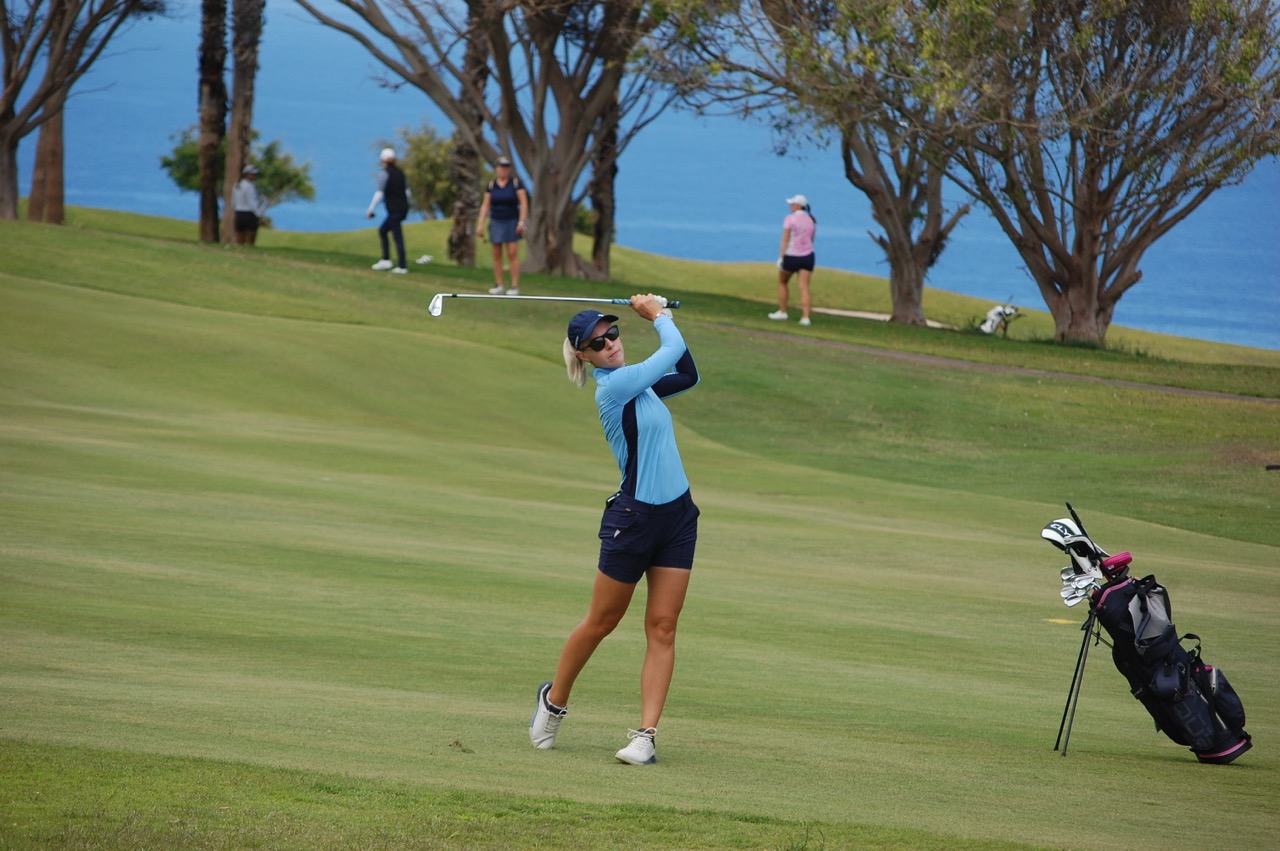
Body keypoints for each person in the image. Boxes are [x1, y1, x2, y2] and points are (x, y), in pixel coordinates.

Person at [530, 295, 701, 765]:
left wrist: (664, 320)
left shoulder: (640, 387)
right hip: (634, 521)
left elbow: (687, 373)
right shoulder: (614, 388)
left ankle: (645, 736)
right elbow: (669, 351)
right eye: (597, 343)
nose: (610, 344)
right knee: (602, 622)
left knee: (663, 626)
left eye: (613, 334)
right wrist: (660, 316)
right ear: (583, 355)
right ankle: (555, 700)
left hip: (678, 518)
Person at [476, 155, 529, 295]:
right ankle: (499, 284)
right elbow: (485, 205)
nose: (503, 170)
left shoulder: (516, 183)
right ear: (497, 169)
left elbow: (523, 204)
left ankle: (514, 285)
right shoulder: (491, 185)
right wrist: (480, 224)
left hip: (512, 220)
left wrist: (522, 222)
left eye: (506, 168)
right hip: (496, 221)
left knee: (512, 252)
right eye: (501, 167)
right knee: (496, 253)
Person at [768, 194, 818, 326]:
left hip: (792, 256)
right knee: (804, 287)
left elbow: (785, 240)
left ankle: (783, 311)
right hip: (808, 256)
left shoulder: (790, 219)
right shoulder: (811, 220)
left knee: (783, 282)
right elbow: (811, 240)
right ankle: (805, 318)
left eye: (792, 204)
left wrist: (781, 257)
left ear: (799, 206)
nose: (790, 206)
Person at [367, 147, 410, 274]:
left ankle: (401, 266)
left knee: (395, 235)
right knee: (384, 231)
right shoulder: (401, 173)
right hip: (403, 208)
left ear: (383, 160)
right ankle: (388, 260)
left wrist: (371, 209)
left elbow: (380, 192)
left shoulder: (385, 174)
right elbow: (408, 192)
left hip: (395, 209)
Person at [232, 165, 262, 245]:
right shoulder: (249, 186)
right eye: (252, 174)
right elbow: (251, 202)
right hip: (248, 214)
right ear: (246, 174)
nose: (254, 176)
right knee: (250, 239)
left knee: (239, 238)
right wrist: (258, 215)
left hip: (239, 213)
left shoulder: (237, 185)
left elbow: (234, 201)